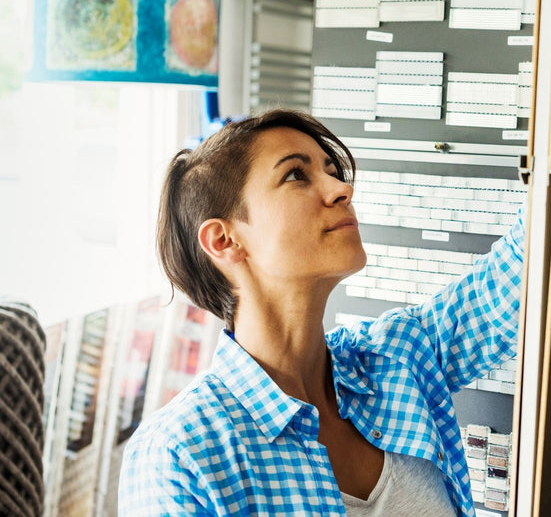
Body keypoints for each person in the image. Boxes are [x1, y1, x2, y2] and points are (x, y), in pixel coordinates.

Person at [119, 109, 524, 516]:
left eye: (333, 170)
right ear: (224, 240)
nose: (341, 188)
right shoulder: (182, 455)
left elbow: (522, 266)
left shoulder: (395, 359)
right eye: (296, 175)